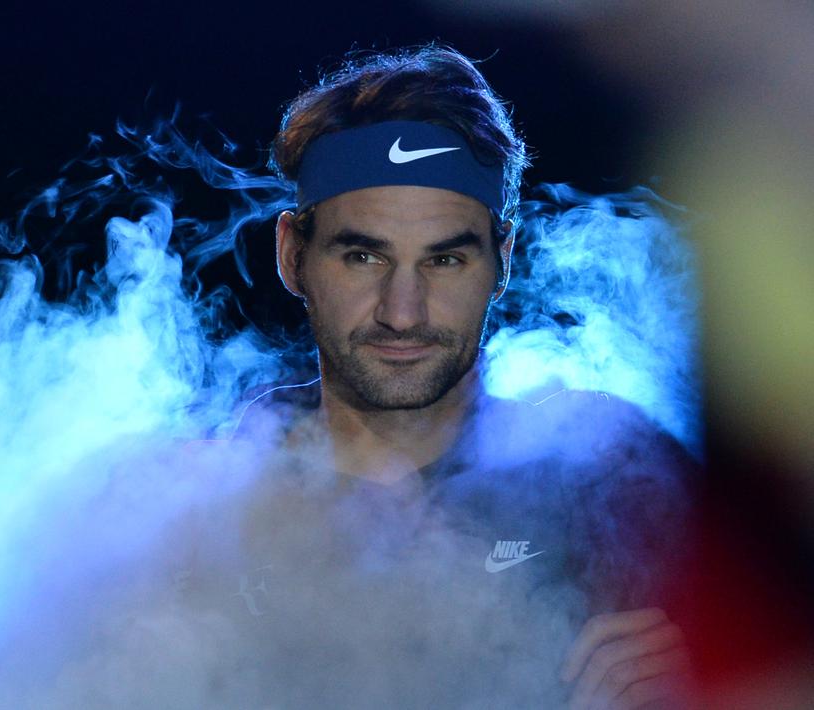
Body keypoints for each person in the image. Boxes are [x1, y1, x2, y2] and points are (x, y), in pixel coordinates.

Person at [172, 46, 696, 709]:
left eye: (444, 260)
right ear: (290, 254)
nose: (402, 311)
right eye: (361, 256)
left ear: (501, 260)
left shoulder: (609, 475)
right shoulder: (202, 501)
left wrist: (703, 688)